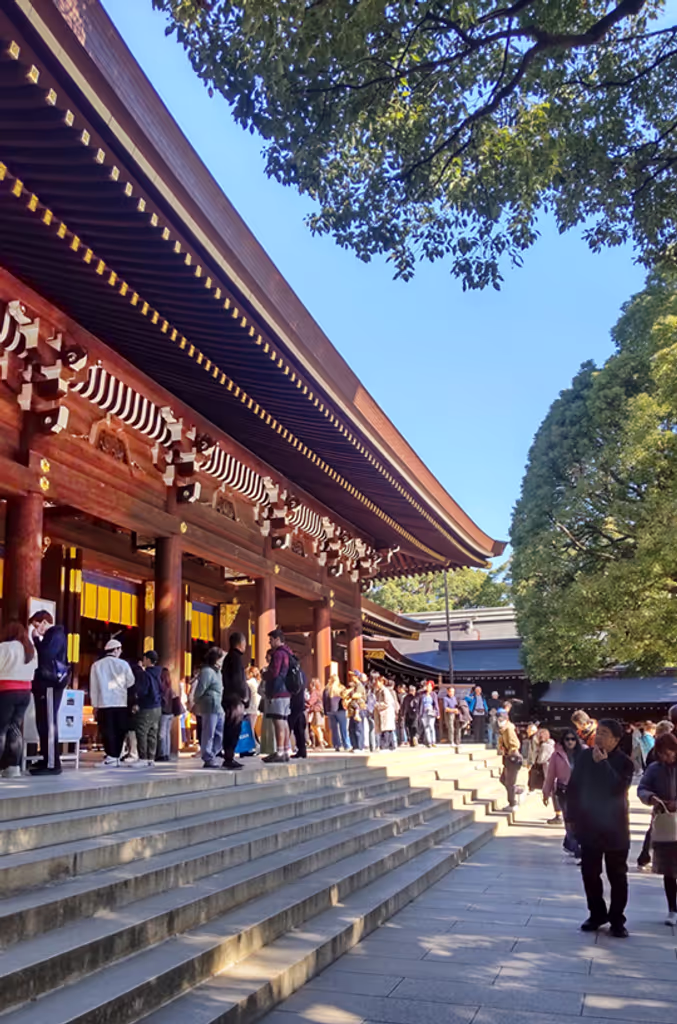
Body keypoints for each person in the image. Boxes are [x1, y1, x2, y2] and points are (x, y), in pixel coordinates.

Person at [567, 718, 633, 938]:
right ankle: (596, 914)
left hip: (615, 827)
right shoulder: (585, 757)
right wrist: (571, 817)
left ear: (616, 739)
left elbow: (618, 789)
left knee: (617, 876)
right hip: (590, 825)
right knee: (590, 873)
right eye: (599, 732)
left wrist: (603, 764)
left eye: (605, 733)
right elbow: (574, 787)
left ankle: (617, 919)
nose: (599, 737)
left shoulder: (624, 762)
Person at [638, 731, 677, 926]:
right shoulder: (654, 768)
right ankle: (672, 908)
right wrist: (651, 798)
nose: (665, 757)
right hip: (664, 822)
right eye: (661, 754)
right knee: (669, 869)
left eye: (668, 753)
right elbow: (642, 788)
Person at [28, 610, 69, 775]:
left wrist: (36, 640)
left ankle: (52, 763)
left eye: (37, 625)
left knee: (49, 723)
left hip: (51, 684)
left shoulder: (56, 634)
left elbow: (46, 655)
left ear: (45, 622)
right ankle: (47, 759)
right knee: (43, 722)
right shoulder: (53, 635)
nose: (36, 629)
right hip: (46, 684)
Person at [89, 639, 136, 766]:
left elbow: (94, 687)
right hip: (121, 702)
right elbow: (131, 682)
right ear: (115, 650)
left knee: (107, 730)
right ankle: (116, 755)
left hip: (104, 703)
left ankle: (111, 756)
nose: (120, 652)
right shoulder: (124, 664)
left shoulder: (96, 665)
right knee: (120, 729)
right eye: (119, 649)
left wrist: (95, 705)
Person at [0, 622, 37, 778]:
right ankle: (13, 766)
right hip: (25, 692)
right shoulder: (30, 649)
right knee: (15, 728)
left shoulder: (5, 647)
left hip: (6, 690)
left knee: (1, 729)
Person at [543, 728, 583, 854]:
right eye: (567, 739)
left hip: (580, 791)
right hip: (564, 791)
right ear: (563, 741)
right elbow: (550, 775)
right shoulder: (556, 755)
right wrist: (546, 792)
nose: (570, 742)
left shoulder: (584, 753)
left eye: (573, 739)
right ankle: (574, 846)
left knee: (579, 819)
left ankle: (570, 842)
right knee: (568, 819)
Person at [263, 629, 294, 763]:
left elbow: (274, 673)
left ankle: (280, 750)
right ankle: (285, 750)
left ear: (277, 639)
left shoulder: (278, 654)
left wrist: (264, 674)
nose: (269, 642)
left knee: (278, 721)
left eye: (271, 640)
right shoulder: (288, 653)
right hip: (287, 691)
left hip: (278, 691)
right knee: (284, 720)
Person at [192, 646, 225, 768]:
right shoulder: (207, 671)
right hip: (210, 704)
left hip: (219, 705)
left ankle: (213, 753)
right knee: (209, 732)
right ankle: (208, 756)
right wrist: (196, 701)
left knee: (219, 732)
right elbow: (200, 689)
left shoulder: (218, 672)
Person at [131, 650, 163, 767]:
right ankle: (151, 758)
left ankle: (143, 757)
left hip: (146, 706)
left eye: (144, 659)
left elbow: (142, 691)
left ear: (148, 660)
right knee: (153, 733)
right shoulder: (160, 673)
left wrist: (136, 701)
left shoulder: (145, 674)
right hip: (157, 706)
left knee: (142, 732)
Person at [497, 712, 522, 811]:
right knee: (503, 779)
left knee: (509, 782)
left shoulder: (509, 729)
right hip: (508, 757)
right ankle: (517, 790)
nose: (499, 722)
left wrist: (511, 751)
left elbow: (515, 744)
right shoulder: (503, 730)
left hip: (513, 757)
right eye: (499, 720)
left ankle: (513, 803)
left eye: (501, 720)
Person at [323, 674, 350, 752]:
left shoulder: (327, 689)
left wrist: (325, 712)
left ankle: (337, 745)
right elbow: (346, 698)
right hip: (340, 710)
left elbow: (324, 701)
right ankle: (346, 745)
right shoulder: (341, 688)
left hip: (330, 710)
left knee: (334, 729)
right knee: (343, 728)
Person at [344, 674, 367, 752]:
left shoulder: (360, 686)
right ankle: (354, 746)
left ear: (357, 677)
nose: (351, 677)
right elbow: (344, 694)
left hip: (358, 709)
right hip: (352, 710)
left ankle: (360, 747)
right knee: (351, 729)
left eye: (353, 676)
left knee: (358, 728)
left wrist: (349, 695)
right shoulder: (353, 686)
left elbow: (356, 695)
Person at [528, 727, 555, 793]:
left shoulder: (544, 746)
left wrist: (536, 760)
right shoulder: (551, 743)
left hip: (547, 764)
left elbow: (541, 759)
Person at [156, 667, 174, 762]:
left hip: (164, 712)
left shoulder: (162, 687)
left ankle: (162, 754)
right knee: (167, 734)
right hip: (171, 713)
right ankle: (167, 753)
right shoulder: (170, 687)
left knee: (162, 734)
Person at [375, 678, 398, 750]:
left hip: (386, 713)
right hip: (383, 713)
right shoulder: (379, 691)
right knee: (388, 730)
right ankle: (391, 746)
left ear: (382, 682)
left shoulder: (385, 691)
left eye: (377, 682)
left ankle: (385, 746)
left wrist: (378, 705)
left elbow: (387, 703)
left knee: (386, 730)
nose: (376, 683)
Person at [307, 678, 327, 749]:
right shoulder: (319, 691)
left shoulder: (314, 692)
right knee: (313, 727)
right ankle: (322, 741)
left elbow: (311, 701)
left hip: (316, 710)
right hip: (318, 710)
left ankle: (321, 743)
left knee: (317, 727)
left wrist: (306, 702)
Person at [419, 680, 440, 748]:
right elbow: (420, 703)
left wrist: (438, 713)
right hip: (424, 711)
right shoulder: (422, 694)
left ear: (432, 687)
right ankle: (429, 742)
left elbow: (436, 704)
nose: (428, 687)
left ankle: (433, 741)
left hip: (431, 712)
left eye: (429, 686)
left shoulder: (433, 694)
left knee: (431, 725)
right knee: (426, 727)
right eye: (427, 686)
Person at [245, 666, 261, 754]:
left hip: (250, 707)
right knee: (252, 727)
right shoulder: (257, 682)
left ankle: (255, 745)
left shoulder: (248, 683)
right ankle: (255, 745)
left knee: (250, 728)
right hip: (256, 707)